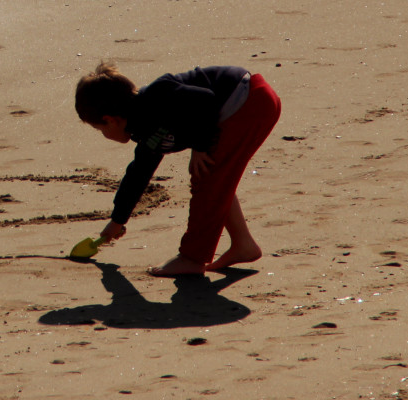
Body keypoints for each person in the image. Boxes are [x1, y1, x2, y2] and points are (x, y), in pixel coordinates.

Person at [75, 61, 281, 277]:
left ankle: (193, 258)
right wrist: (117, 221)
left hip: (249, 102)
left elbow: (206, 99)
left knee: (207, 179)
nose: (103, 134)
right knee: (216, 179)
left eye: (99, 129)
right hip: (250, 104)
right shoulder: (146, 133)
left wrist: (200, 145)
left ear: (110, 120)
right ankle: (243, 244)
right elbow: (138, 174)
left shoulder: (157, 96)